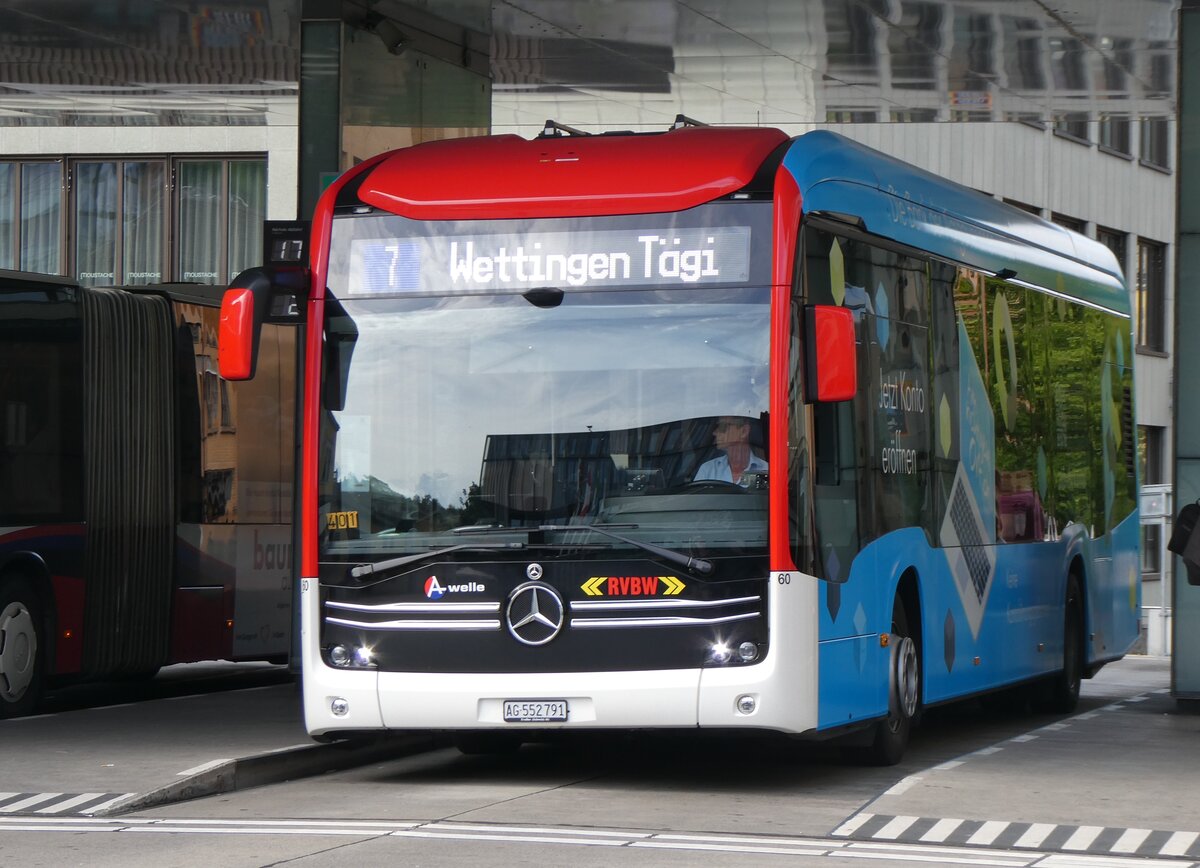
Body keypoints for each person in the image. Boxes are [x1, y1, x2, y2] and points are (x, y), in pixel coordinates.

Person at [694, 416, 767, 486]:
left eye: (722, 427)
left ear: (744, 431)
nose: (715, 432)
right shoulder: (707, 469)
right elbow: (695, 498)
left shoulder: (766, 471)